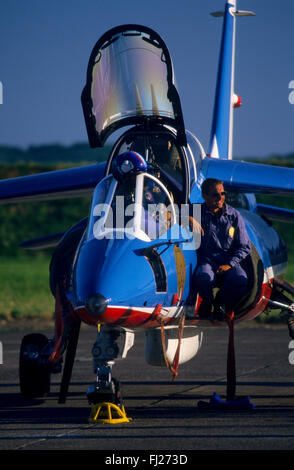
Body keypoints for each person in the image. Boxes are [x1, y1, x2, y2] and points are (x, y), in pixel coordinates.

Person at [193, 178, 251, 320]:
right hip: (207, 262)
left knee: (240, 279)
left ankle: (220, 302)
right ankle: (207, 302)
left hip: (228, 263)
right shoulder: (195, 211)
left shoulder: (234, 215)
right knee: (203, 277)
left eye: (223, 194)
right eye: (215, 195)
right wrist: (188, 219)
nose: (220, 198)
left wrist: (229, 264)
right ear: (204, 196)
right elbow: (167, 214)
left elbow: (245, 246)